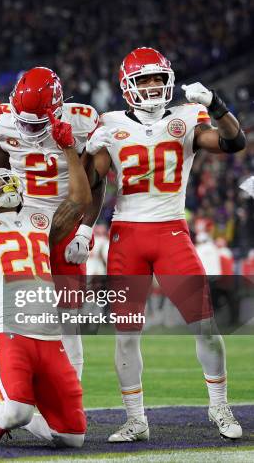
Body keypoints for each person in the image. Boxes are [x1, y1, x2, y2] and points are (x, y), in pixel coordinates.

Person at [85, 47, 245, 441]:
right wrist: (87, 155)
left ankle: (219, 405)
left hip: (172, 231)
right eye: (144, 80)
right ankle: (136, 419)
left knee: (206, 325)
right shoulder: (108, 123)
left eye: (158, 78)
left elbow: (233, 143)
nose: (153, 86)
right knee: (126, 334)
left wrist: (217, 104)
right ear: (128, 87)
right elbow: (92, 186)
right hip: (127, 235)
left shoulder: (187, 117)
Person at [0, 69, 101, 440]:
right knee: (4, 315)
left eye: (38, 122)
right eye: (24, 121)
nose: (30, 129)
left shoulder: (83, 121)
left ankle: (64, 404)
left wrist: (86, 228)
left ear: (58, 109)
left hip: (66, 219)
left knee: (67, 323)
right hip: (24, 224)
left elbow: (95, 183)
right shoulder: (5, 121)